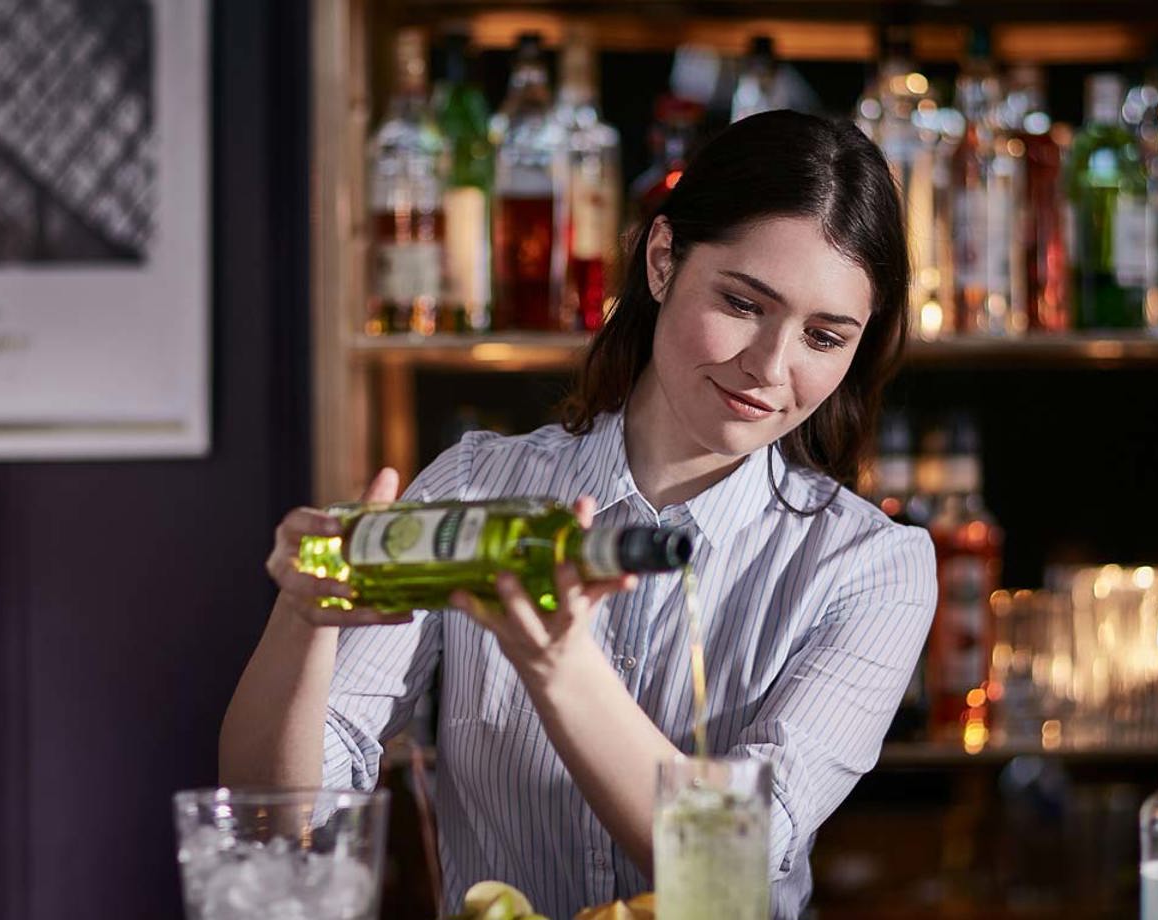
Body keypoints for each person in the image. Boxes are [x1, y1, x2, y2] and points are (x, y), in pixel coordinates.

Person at [221, 110, 936, 920]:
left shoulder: (873, 567)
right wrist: (300, 616)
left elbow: (740, 858)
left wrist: (558, 666)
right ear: (662, 259)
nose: (771, 367)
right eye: (742, 303)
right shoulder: (474, 491)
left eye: (823, 336)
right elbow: (280, 818)